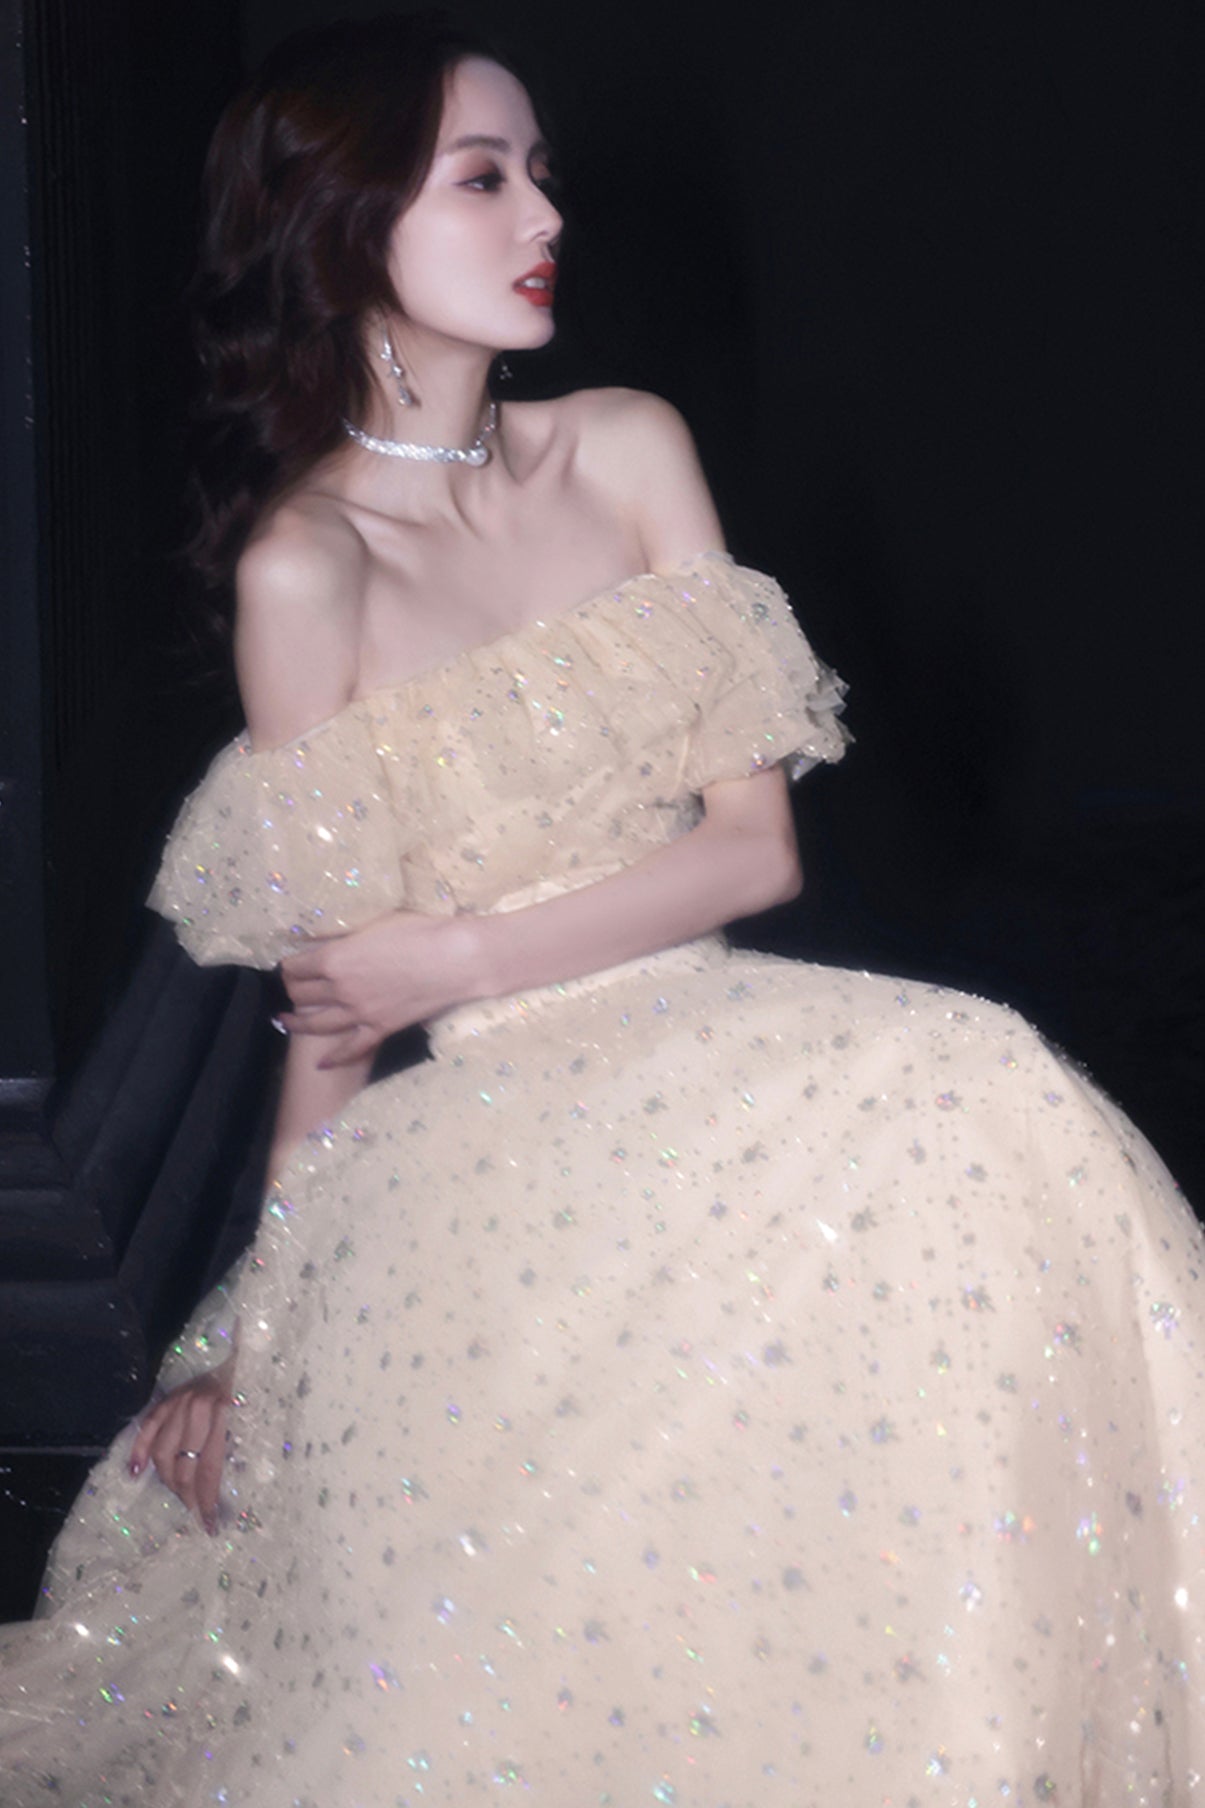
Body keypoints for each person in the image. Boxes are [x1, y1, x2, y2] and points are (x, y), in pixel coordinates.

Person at [2, 14, 1203, 1804]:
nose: (543, 214)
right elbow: (332, 1022)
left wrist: (454, 951)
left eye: (542, 173)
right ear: (346, 228)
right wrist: (260, 1343)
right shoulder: (308, 570)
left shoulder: (628, 447)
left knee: (983, 1090)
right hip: (487, 1124)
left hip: (717, 1032)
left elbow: (755, 853)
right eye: (482, 179)